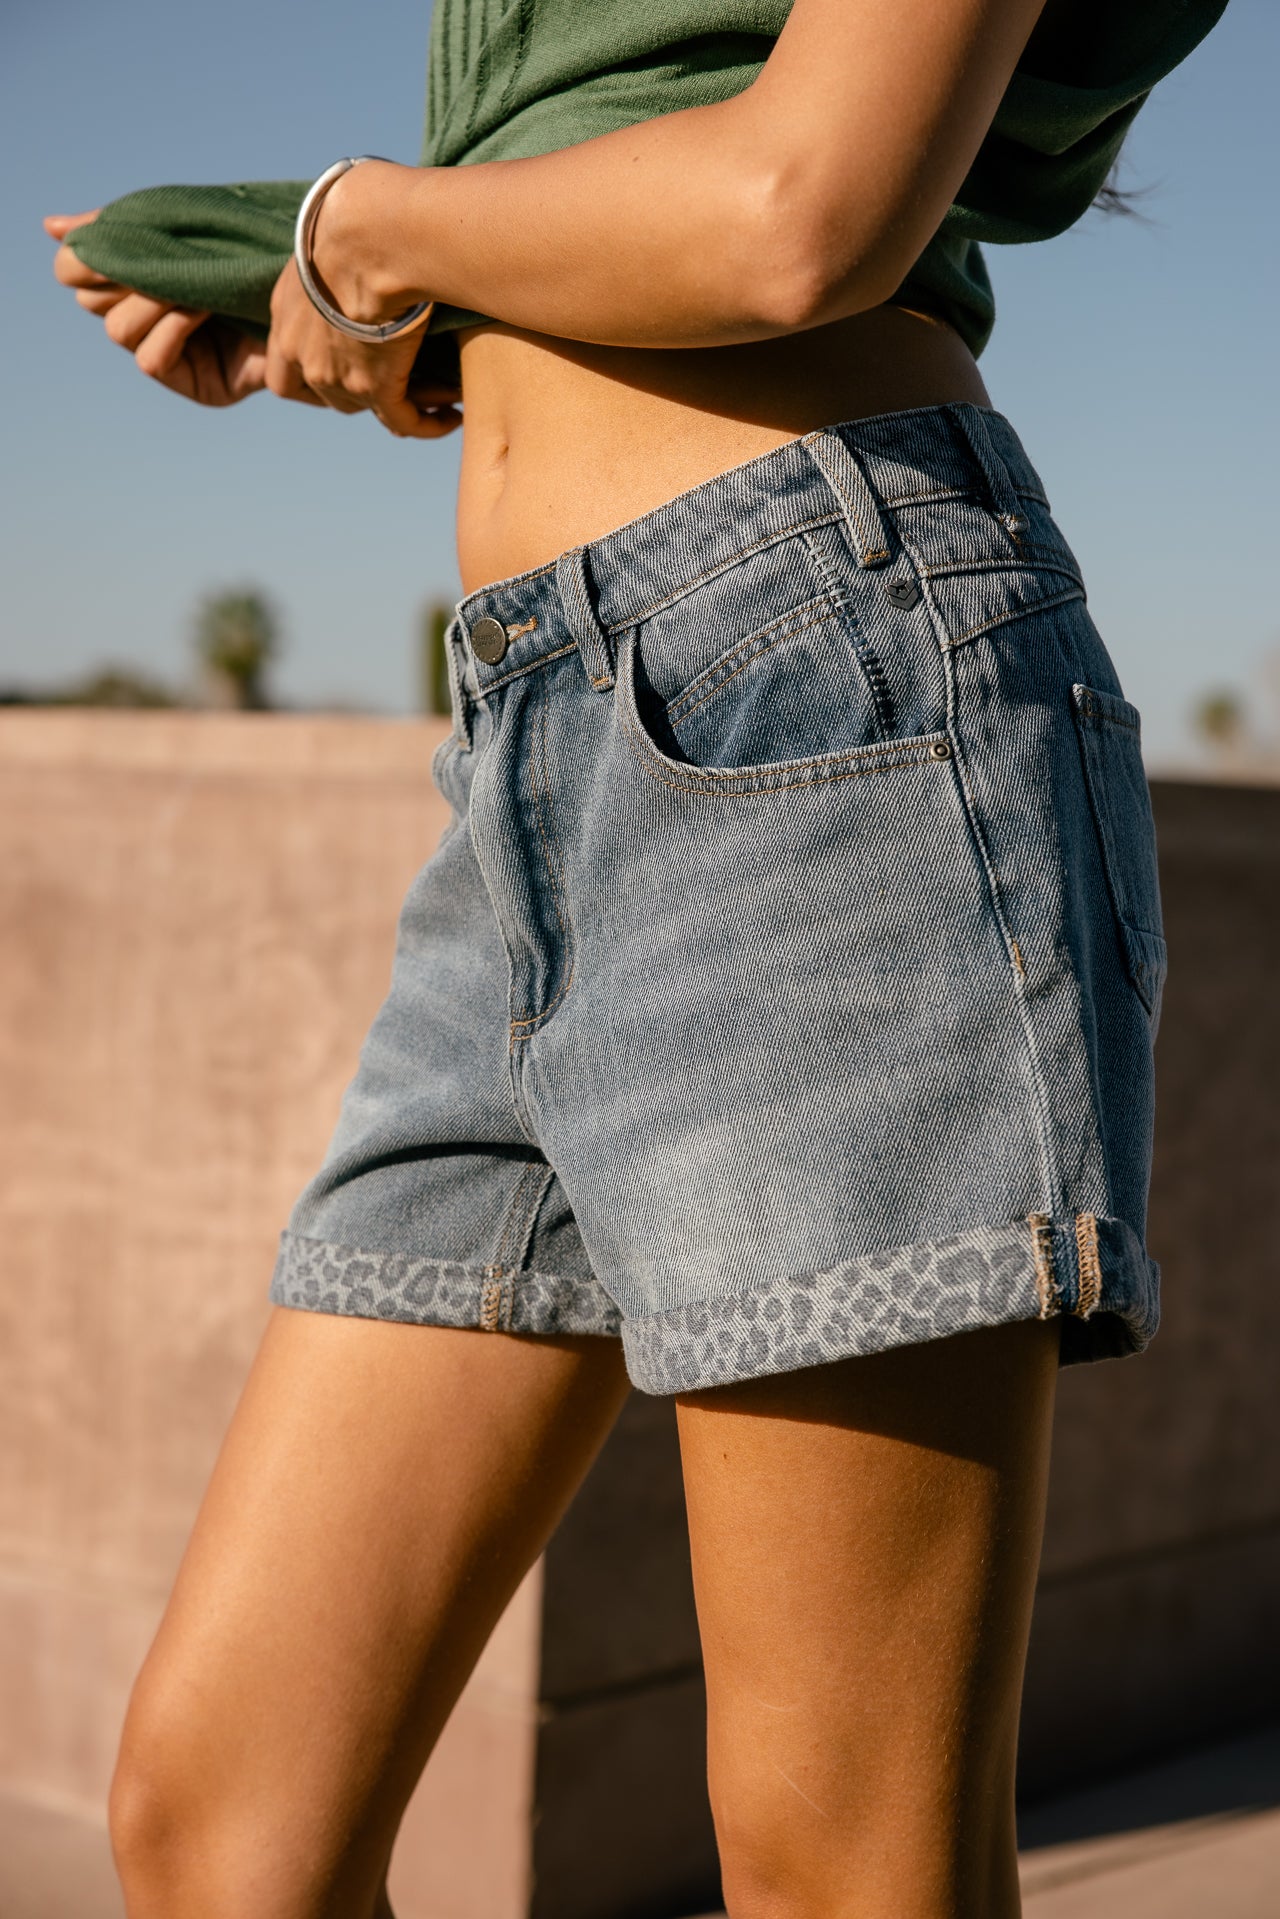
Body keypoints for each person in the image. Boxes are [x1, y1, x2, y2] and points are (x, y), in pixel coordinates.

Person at [46, 2, 1225, 1913]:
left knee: (843, 1862)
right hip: (532, 739)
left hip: (820, 700)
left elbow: (792, 213)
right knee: (226, 1830)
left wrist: (362, 229)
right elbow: (645, 168)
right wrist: (388, 306)